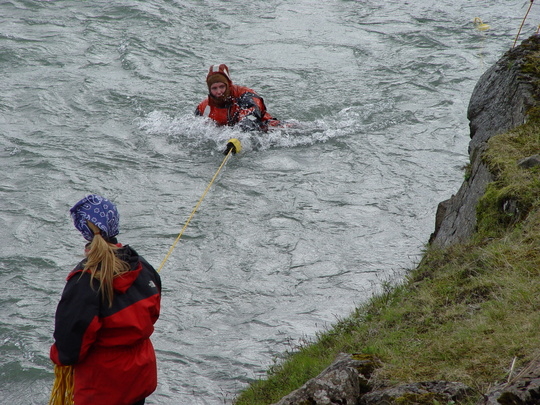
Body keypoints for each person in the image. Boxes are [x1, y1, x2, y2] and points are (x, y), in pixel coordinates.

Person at [50, 194, 161, 405]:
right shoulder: (142, 266)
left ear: (84, 230)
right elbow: (153, 314)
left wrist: (59, 356)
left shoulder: (85, 280)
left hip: (102, 386)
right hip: (139, 376)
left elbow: (70, 343)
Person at [195, 63, 281, 132]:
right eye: (214, 88)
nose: (218, 92)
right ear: (209, 89)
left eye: (222, 87)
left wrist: (240, 134)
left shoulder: (245, 95)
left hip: (265, 129)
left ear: (228, 85)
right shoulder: (204, 107)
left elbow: (252, 113)